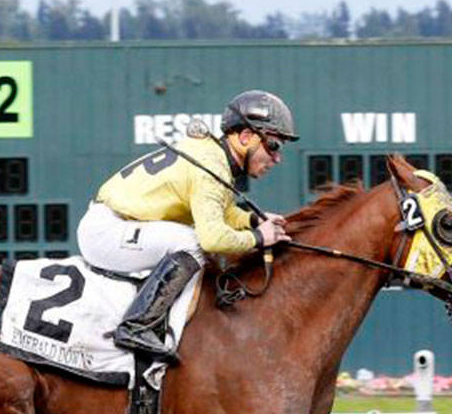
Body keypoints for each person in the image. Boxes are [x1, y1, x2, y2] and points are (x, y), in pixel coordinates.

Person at [76, 89, 297, 362]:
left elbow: (221, 212)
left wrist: (253, 220)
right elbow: (213, 238)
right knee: (191, 242)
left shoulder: (211, 155)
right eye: (273, 146)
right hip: (107, 232)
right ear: (244, 137)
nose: (277, 158)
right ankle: (136, 326)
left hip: (117, 227)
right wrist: (258, 238)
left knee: (188, 239)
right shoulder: (212, 166)